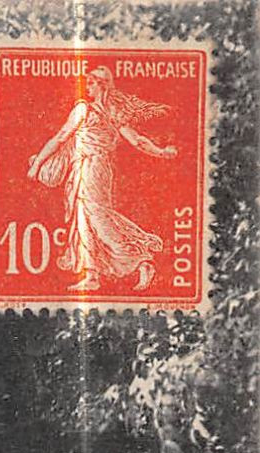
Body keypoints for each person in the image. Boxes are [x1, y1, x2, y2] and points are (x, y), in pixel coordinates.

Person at [26, 66, 178, 292]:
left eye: (91, 82)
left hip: (90, 167)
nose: (87, 86)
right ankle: (93, 274)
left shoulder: (83, 109)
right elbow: (137, 141)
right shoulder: (113, 112)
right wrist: (161, 152)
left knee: (96, 218)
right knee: (86, 219)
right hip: (97, 168)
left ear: (102, 85)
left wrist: (38, 164)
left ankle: (140, 259)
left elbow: (60, 138)